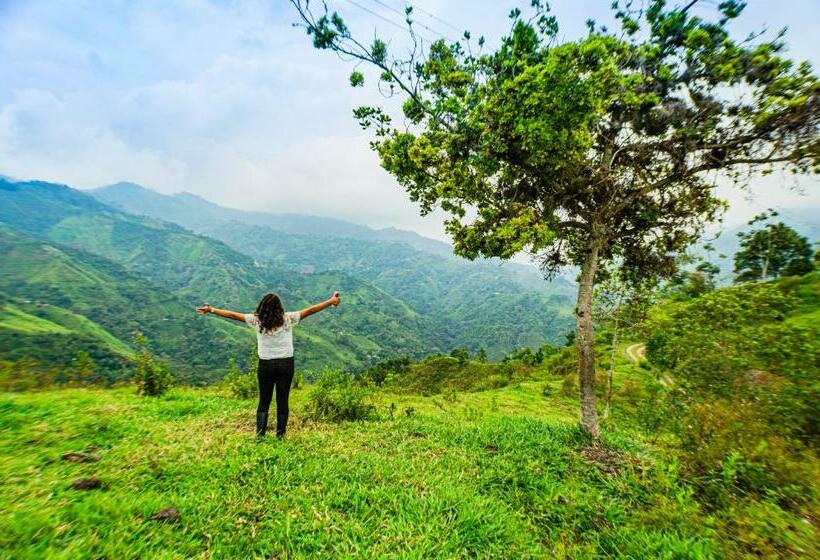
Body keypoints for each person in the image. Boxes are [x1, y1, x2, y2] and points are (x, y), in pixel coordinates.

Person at [196, 291, 341, 438]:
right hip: (286, 364)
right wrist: (330, 301)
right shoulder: (288, 319)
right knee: (282, 400)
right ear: (279, 307)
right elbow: (310, 310)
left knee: (264, 400)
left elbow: (233, 315)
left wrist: (211, 310)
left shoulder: (256, 321)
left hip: (265, 365)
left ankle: (260, 435)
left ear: (262, 307)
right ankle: (280, 434)